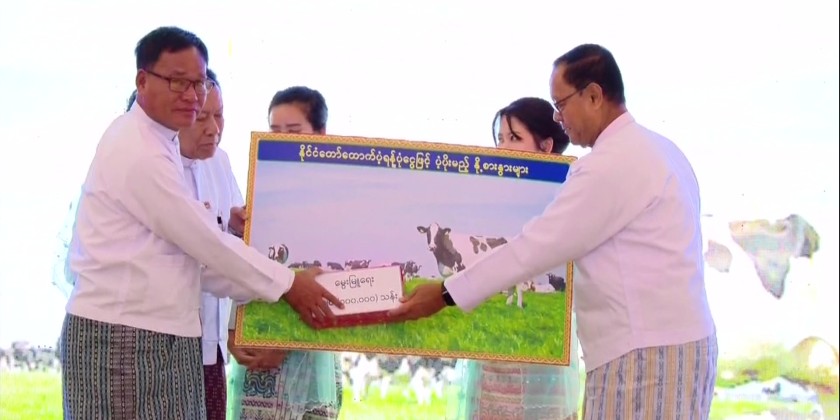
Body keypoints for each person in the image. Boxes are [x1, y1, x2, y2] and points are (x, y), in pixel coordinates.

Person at [389, 43, 718, 420]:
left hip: (644, 360)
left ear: (593, 96)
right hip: (685, 348)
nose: (558, 118)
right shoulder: (663, 150)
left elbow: (534, 249)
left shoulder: (609, 165)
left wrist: (445, 293)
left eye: (561, 104)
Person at [61, 27, 342, 420]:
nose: (191, 95)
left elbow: (199, 261)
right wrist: (290, 284)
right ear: (142, 80)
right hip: (123, 340)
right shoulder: (138, 148)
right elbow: (205, 244)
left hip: (168, 337)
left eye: (199, 83)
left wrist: (279, 282)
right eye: (178, 82)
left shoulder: (170, 146)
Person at [449, 97, 581, 420]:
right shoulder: (485, 202)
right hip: (492, 353)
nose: (503, 148)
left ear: (546, 146)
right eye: (500, 139)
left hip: (542, 359)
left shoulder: (569, 201)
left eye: (514, 138)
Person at [227, 86, 344, 420]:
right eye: (274, 130)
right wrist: (234, 332)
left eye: (293, 131)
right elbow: (243, 271)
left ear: (320, 134)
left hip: (309, 351)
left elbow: (335, 285)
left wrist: (284, 342)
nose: (282, 140)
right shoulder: (259, 196)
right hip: (258, 349)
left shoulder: (336, 203)